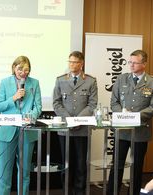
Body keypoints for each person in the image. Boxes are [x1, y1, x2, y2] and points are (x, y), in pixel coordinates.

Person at [107, 50, 153, 195]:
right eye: (129, 62)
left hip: (140, 131)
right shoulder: (121, 79)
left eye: (135, 62)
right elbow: (114, 102)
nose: (131, 65)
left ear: (144, 64)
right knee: (117, 166)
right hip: (122, 129)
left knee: (137, 168)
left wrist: (136, 116)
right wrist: (123, 113)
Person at [53, 51, 98, 195]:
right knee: (66, 164)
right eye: (70, 62)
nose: (71, 65)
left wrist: (78, 120)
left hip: (82, 128)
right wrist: (69, 120)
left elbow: (92, 104)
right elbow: (56, 103)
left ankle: (79, 192)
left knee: (80, 164)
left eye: (75, 62)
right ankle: (66, 191)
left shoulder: (91, 81)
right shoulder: (60, 80)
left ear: (81, 63)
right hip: (65, 129)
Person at [0, 55, 42, 195]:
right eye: (20, 68)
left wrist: (31, 116)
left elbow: (38, 107)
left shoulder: (34, 83)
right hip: (7, 132)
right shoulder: (5, 82)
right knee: (4, 173)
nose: (23, 72)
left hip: (27, 131)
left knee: (24, 173)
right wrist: (13, 98)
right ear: (13, 68)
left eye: (26, 69)